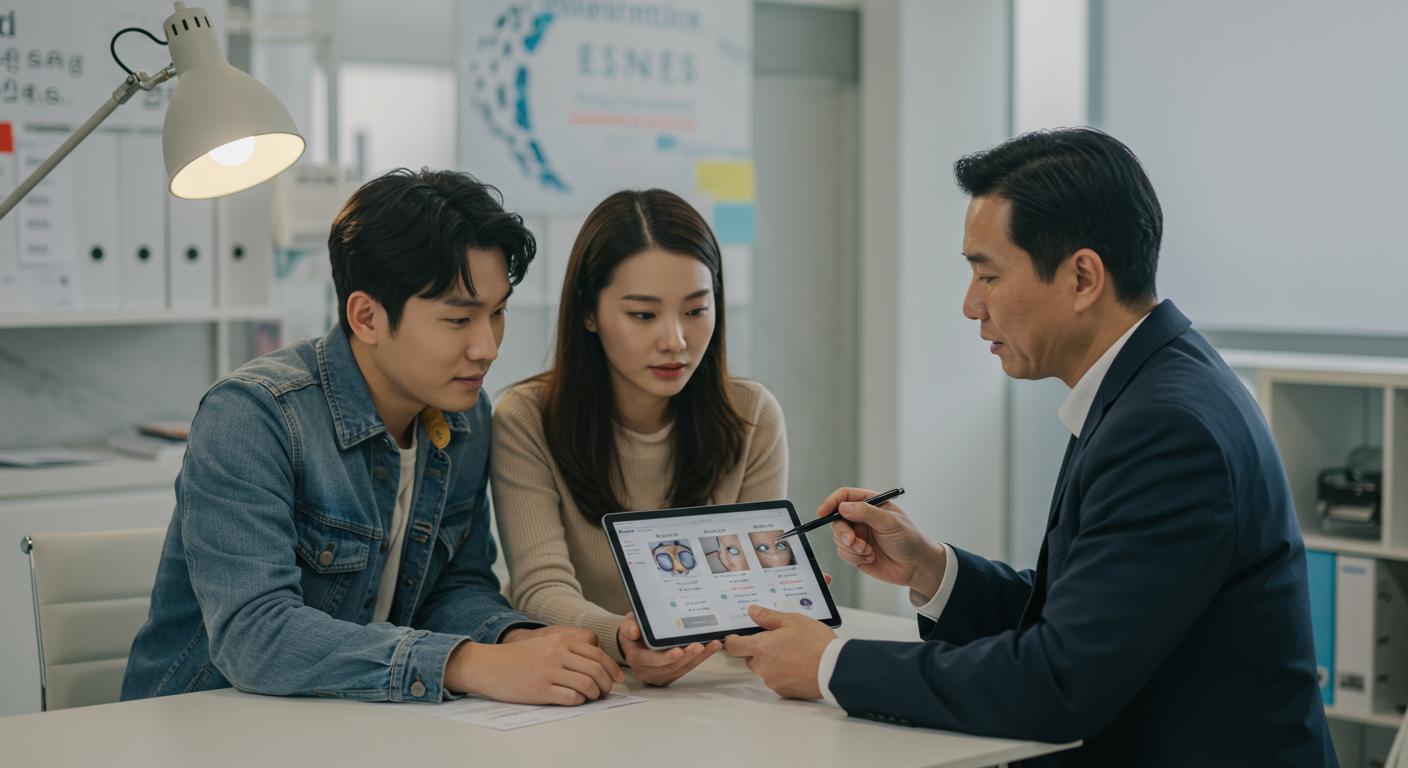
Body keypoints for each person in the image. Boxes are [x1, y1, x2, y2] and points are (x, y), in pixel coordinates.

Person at [724, 129, 1336, 766]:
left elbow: (1059, 683)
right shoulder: (1153, 385)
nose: (971, 306)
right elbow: (1087, 621)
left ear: (1081, 277)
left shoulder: (1167, 428)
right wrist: (932, 570)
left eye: (987, 274)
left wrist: (831, 663)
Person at [122, 169, 623, 706]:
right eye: (458, 320)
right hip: (205, 725)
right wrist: (470, 662)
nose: (487, 347)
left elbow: (455, 586)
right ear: (366, 317)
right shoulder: (254, 416)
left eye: (497, 313)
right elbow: (256, 634)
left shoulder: (466, 416)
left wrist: (522, 642)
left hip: (360, 724)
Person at [491, 189, 788, 686]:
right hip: (584, 675)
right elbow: (539, 587)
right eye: (643, 315)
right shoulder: (527, 418)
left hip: (719, 682)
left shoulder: (752, 415)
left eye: (696, 310)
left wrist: (778, 588)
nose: (675, 340)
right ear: (588, 313)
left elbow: (747, 587)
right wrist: (626, 637)